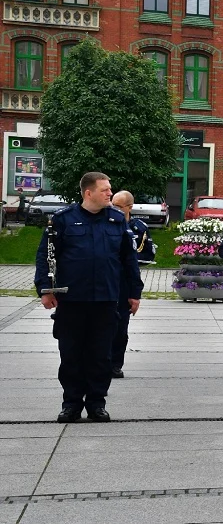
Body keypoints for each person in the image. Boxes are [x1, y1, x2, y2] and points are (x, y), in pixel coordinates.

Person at [34, 172, 143, 423]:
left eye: (110, 189)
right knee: (71, 354)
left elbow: (129, 260)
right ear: (88, 193)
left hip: (105, 299)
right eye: (105, 190)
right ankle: (71, 404)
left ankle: (96, 403)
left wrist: (134, 293)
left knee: (100, 355)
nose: (109, 193)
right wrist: (45, 288)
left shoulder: (117, 220)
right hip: (72, 300)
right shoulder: (63, 220)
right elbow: (45, 256)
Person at [110, 190, 157, 378]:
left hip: (125, 282)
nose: (114, 209)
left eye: (118, 206)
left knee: (121, 328)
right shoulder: (107, 223)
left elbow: (145, 253)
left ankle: (115, 364)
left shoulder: (138, 228)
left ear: (129, 207)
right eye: (112, 204)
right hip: (106, 281)